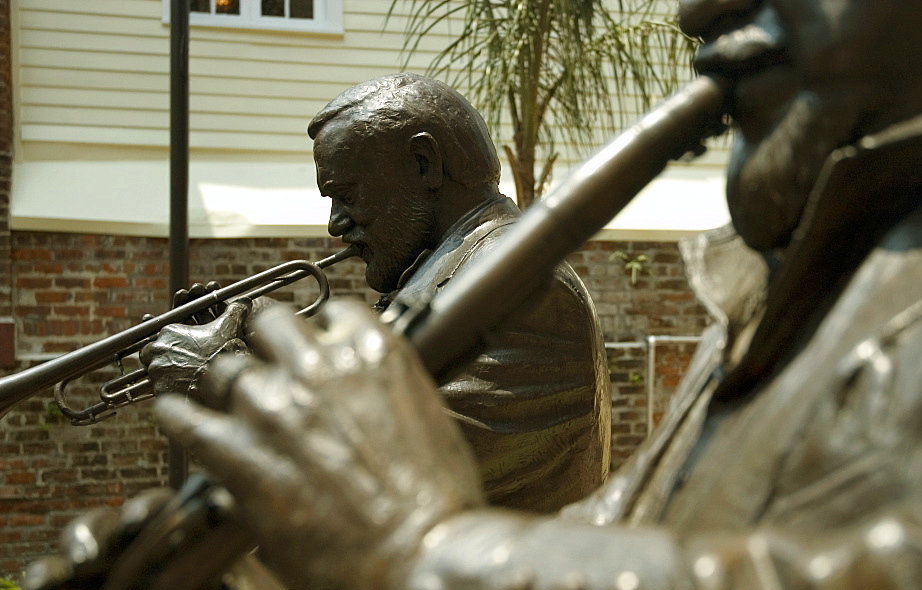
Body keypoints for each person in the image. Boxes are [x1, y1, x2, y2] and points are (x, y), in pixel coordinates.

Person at [13, 0, 922, 590]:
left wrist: (418, 554)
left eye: (350, 195)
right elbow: (627, 545)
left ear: (426, 165)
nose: (695, 11)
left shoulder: (526, 290)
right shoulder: (808, 271)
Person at [143, 73, 611, 512]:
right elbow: (379, 392)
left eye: (346, 194)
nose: (335, 224)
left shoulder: (521, 281)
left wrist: (221, 377)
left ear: (424, 164)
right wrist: (263, 340)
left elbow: (374, 461)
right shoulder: (451, 267)